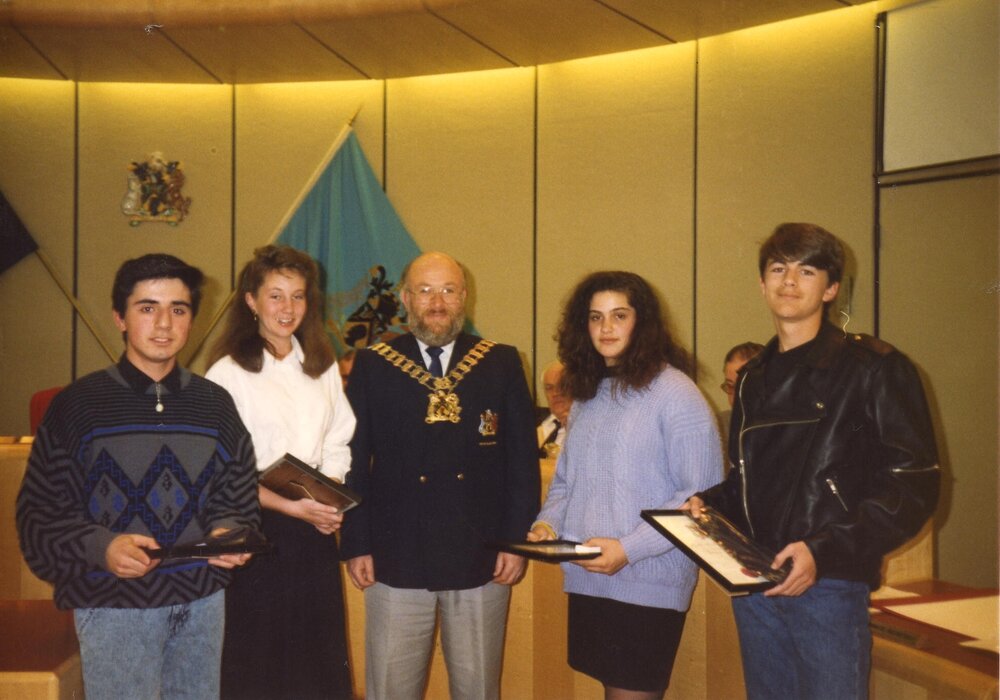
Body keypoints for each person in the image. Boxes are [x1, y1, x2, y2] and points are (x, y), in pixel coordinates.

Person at [686, 223, 940, 700]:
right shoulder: (752, 378)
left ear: (832, 288)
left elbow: (914, 486)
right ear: (762, 284)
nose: (789, 280)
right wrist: (708, 504)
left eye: (807, 270)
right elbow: (749, 480)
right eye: (778, 268)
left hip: (828, 585)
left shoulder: (875, 368)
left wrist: (822, 551)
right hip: (757, 584)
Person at [16, 253, 259, 699]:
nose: (164, 323)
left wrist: (230, 531)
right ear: (120, 318)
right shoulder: (77, 406)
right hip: (114, 607)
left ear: (191, 319)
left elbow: (238, 494)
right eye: (148, 307)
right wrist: (101, 546)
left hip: (202, 603)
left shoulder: (216, 405)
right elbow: (38, 515)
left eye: (178, 310)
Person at [340, 251, 540, 700]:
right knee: (390, 689)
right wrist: (357, 542)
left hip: (482, 555)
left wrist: (515, 542)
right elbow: (352, 460)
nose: (437, 302)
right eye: (425, 291)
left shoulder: (501, 362)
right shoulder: (374, 364)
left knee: (477, 689)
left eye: (448, 290)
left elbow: (521, 463)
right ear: (405, 298)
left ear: (464, 297)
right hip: (396, 556)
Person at [529, 271, 723, 700]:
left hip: (646, 581)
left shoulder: (676, 392)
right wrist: (546, 525)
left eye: (619, 315)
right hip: (590, 578)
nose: (606, 328)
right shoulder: (586, 393)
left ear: (643, 323)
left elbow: (701, 497)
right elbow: (566, 482)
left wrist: (628, 549)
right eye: (595, 318)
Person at [205, 245, 357, 700]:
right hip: (257, 527)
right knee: (261, 665)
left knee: (317, 659)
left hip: (311, 526)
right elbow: (222, 470)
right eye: (275, 296)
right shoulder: (228, 373)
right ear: (251, 300)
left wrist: (328, 500)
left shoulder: (321, 364)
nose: (287, 309)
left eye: (297, 296)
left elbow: (338, 437)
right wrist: (295, 506)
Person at [717, 342, 764, 453]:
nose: (735, 398)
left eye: (744, 387)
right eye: (730, 386)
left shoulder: (784, 431)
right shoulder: (718, 428)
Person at [537, 360, 571, 457]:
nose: (556, 393)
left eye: (562, 386)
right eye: (549, 388)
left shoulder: (586, 426)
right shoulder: (530, 422)